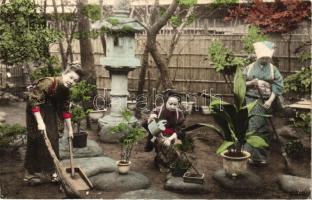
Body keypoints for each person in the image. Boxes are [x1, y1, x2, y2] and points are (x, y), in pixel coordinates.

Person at [24, 63, 84, 185]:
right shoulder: (49, 82)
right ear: (64, 74)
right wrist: (40, 122)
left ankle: (52, 171)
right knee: (36, 138)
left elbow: (65, 110)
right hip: (35, 110)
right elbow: (34, 101)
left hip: (50, 112)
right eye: (71, 77)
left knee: (53, 138)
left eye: (75, 81)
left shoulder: (66, 91)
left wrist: (71, 130)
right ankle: (31, 173)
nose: (72, 81)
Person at [243, 41, 284, 165]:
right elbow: (240, 84)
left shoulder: (273, 69)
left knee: (263, 128)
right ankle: (248, 155)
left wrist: (270, 101)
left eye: (267, 57)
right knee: (251, 126)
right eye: (263, 57)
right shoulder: (249, 68)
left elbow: (278, 86)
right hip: (251, 100)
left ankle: (259, 156)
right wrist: (251, 83)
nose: (265, 60)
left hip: (266, 101)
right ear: (257, 56)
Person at [143, 90, 186, 172]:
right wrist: (150, 118)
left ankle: (171, 161)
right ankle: (161, 162)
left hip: (173, 135)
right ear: (165, 102)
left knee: (177, 145)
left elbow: (180, 129)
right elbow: (148, 124)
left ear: (178, 104)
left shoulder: (179, 113)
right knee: (163, 144)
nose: (173, 106)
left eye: (175, 104)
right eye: (170, 104)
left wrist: (170, 139)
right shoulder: (158, 111)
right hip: (158, 134)